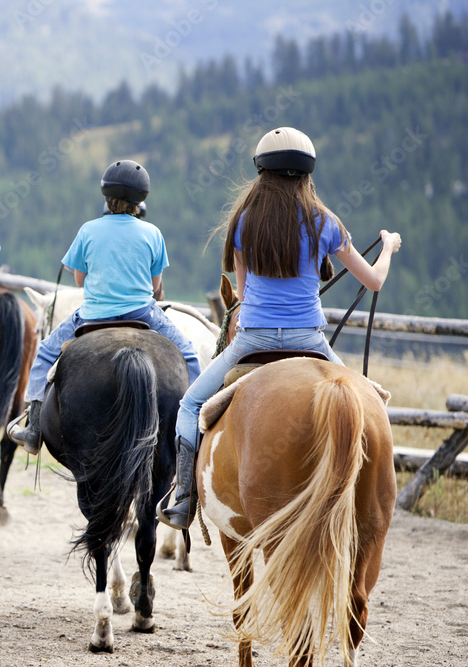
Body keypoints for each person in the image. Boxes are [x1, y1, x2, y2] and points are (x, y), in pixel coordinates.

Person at [159, 127, 403, 530]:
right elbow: (373, 281)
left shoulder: (244, 222)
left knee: (189, 406)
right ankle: (373, 498)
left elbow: (239, 292)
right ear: (307, 173)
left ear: (262, 171)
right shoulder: (326, 223)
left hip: (252, 340)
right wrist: (388, 247)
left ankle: (183, 498)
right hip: (310, 340)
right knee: (372, 404)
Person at [8, 160, 203, 454]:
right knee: (188, 353)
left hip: (93, 314)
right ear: (141, 199)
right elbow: (155, 284)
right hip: (142, 312)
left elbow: (79, 278)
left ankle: (34, 428)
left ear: (106, 195)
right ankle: (196, 424)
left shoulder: (88, 230)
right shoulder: (152, 232)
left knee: (45, 351)